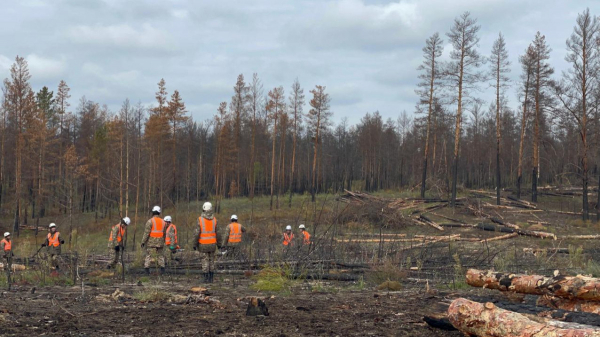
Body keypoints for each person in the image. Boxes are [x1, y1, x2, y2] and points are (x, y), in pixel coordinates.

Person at [194, 202, 218, 283]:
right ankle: (211, 278)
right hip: (212, 244)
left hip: (203, 244)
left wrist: (194, 244)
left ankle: (205, 278)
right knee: (211, 260)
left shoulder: (200, 219)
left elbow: (197, 233)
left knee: (205, 260)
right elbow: (219, 233)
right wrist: (220, 244)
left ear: (203, 209)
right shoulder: (214, 219)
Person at [141, 206, 166, 275]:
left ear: (153, 212)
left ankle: (146, 271)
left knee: (149, 255)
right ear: (159, 212)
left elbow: (146, 233)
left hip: (151, 242)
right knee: (160, 256)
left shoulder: (150, 221)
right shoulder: (163, 222)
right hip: (160, 242)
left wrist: (143, 242)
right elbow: (164, 233)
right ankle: (162, 270)